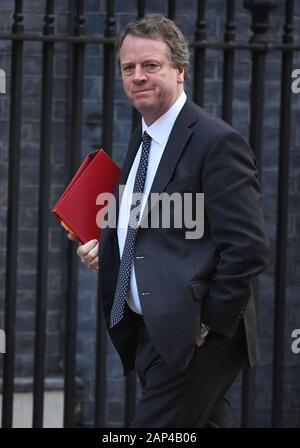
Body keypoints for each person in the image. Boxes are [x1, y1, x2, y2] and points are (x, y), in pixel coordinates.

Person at [68, 14, 270, 427]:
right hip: (152, 333)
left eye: (151, 66)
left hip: (194, 339)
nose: (138, 76)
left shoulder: (216, 142)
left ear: (180, 71)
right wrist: (109, 249)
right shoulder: (143, 139)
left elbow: (248, 248)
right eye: (129, 68)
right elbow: (157, 234)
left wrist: (205, 326)